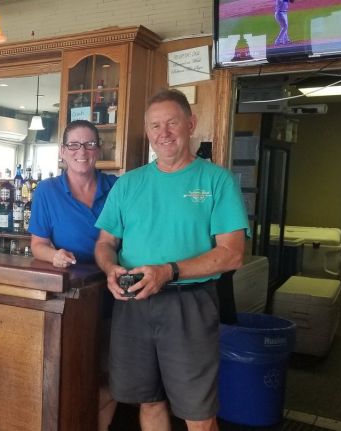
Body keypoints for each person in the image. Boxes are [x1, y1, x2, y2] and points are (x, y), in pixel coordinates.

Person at [94, 89, 248, 431]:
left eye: (172, 123)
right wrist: (109, 268)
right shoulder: (128, 184)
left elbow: (233, 254)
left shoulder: (216, 180)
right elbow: (105, 242)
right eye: (155, 126)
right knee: (148, 401)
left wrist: (169, 271)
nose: (163, 133)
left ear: (190, 124)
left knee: (199, 413)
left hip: (189, 305)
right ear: (147, 132)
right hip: (133, 304)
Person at [28, 119, 118, 431]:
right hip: (73, 299)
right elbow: (37, 244)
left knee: (109, 373)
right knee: (74, 372)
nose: (83, 151)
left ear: (99, 150)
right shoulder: (48, 191)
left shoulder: (117, 187)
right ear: (63, 152)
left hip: (114, 293)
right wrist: (54, 255)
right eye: (75, 145)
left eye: (90, 144)